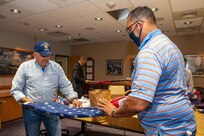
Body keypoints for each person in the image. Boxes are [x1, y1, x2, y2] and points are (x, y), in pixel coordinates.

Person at [98, 6, 197, 135]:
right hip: (183, 124)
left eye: (129, 29)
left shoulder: (149, 51)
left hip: (166, 129)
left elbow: (138, 103)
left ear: (139, 25)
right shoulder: (170, 45)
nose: (130, 35)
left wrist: (113, 112)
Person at [11, 41, 81, 136]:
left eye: (48, 55)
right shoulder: (25, 67)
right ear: (35, 55)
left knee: (56, 134)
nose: (46, 59)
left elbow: (65, 85)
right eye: (43, 56)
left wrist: (73, 98)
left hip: (51, 108)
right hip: (31, 109)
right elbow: (16, 89)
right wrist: (26, 100)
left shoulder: (56, 67)